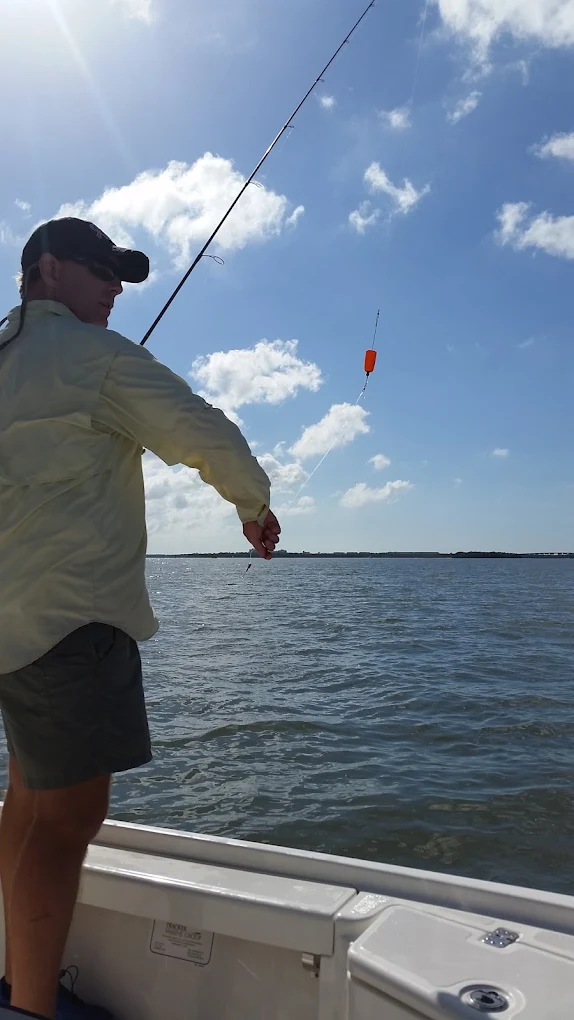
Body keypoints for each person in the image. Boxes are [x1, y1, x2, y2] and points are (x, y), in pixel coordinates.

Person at [0, 218, 280, 1019]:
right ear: (47, 268)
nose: (115, 288)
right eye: (100, 270)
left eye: (121, 276)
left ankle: (16, 978)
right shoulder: (96, 359)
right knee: (65, 823)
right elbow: (203, 433)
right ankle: (28, 1008)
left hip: (8, 633)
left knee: (26, 802)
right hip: (71, 626)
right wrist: (253, 506)